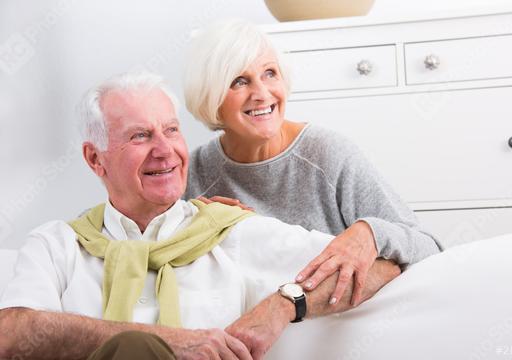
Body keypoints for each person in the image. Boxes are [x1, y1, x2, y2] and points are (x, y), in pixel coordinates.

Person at [0, 72, 400, 360]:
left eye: (172, 131)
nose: (164, 150)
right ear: (95, 159)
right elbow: (12, 333)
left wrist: (282, 305)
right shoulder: (56, 245)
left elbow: (383, 270)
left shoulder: (233, 232)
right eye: (140, 136)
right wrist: (171, 341)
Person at [183, 19, 443, 306]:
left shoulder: (328, 153)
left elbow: (429, 246)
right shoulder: (194, 171)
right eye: (239, 81)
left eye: (270, 73)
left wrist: (369, 232)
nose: (262, 93)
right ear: (211, 96)